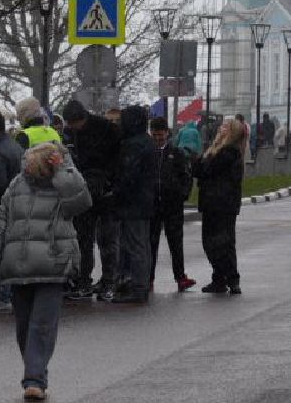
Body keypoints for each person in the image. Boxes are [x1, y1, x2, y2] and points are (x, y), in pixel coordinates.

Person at [0, 139, 90, 402]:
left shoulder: (64, 184)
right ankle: (35, 371)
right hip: (19, 267)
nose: (34, 171)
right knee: (24, 327)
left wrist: (62, 169)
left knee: (41, 325)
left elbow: (81, 202)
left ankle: (34, 378)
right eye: (31, 165)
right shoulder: (16, 185)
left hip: (53, 266)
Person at [61, 99, 121, 302]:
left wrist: (108, 183)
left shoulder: (106, 130)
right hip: (86, 190)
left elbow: (116, 160)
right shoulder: (73, 132)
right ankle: (85, 280)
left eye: (73, 123)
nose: (71, 128)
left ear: (82, 119)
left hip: (104, 192)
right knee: (84, 240)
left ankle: (108, 280)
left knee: (106, 240)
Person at [110, 105, 160, 304]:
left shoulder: (134, 144)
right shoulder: (145, 141)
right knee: (141, 245)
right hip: (143, 200)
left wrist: (116, 190)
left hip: (133, 201)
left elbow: (128, 174)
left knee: (136, 245)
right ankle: (137, 283)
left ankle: (138, 286)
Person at [193, 116, 247, 295]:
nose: (219, 128)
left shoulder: (228, 152)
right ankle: (220, 279)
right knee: (219, 243)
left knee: (217, 243)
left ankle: (231, 278)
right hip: (217, 203)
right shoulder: (221, 150)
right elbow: (202, 169)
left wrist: (198, 162)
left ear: (231, 132)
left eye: (224, 126)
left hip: (220, 204)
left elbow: (205, 170)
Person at [149, 116, 196, 293]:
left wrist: (182, 195)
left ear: (167, 133)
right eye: (154, 135)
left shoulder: (177, 153)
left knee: (175, 242)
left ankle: (180, 277)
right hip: (153, 204)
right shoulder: (149, 153)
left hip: (172, 205)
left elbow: (186, 177)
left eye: (160, 135)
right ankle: (149, 278)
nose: (158, 139)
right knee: (151, 243)